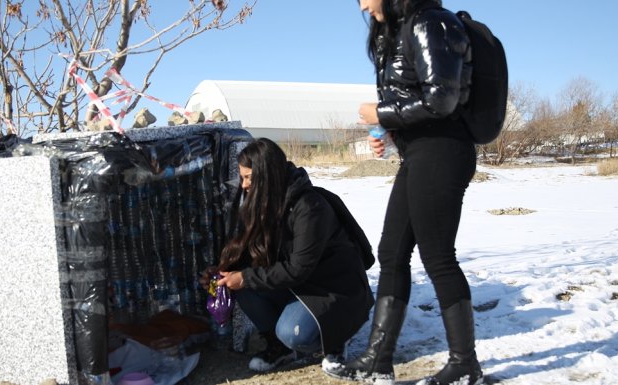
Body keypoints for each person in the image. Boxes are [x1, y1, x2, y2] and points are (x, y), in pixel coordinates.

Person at [323, 1, 482, 385]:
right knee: (392, 254)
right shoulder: (400, 29)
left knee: (438, 257)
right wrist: (390, 134)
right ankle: (378, 361)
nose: (362, 4)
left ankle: (465, 366)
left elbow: (442, 99)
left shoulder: (432, 22)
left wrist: (381, 114)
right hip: (419, 153)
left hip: (443, 152)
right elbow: (416, 100)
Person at [202, 138, 374, 373]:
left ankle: (337, 336)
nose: (244, 185)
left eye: (249, 177)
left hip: (333, 288)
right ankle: (280, 348)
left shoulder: (309, 207)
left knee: (293, 333)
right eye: (242, 178)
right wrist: (223, 272)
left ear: (267, 175)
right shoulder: (265, 202)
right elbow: (253, 252)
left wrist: (245, 277)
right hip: (299, 284)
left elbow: (298, 269)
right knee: (244, 287)